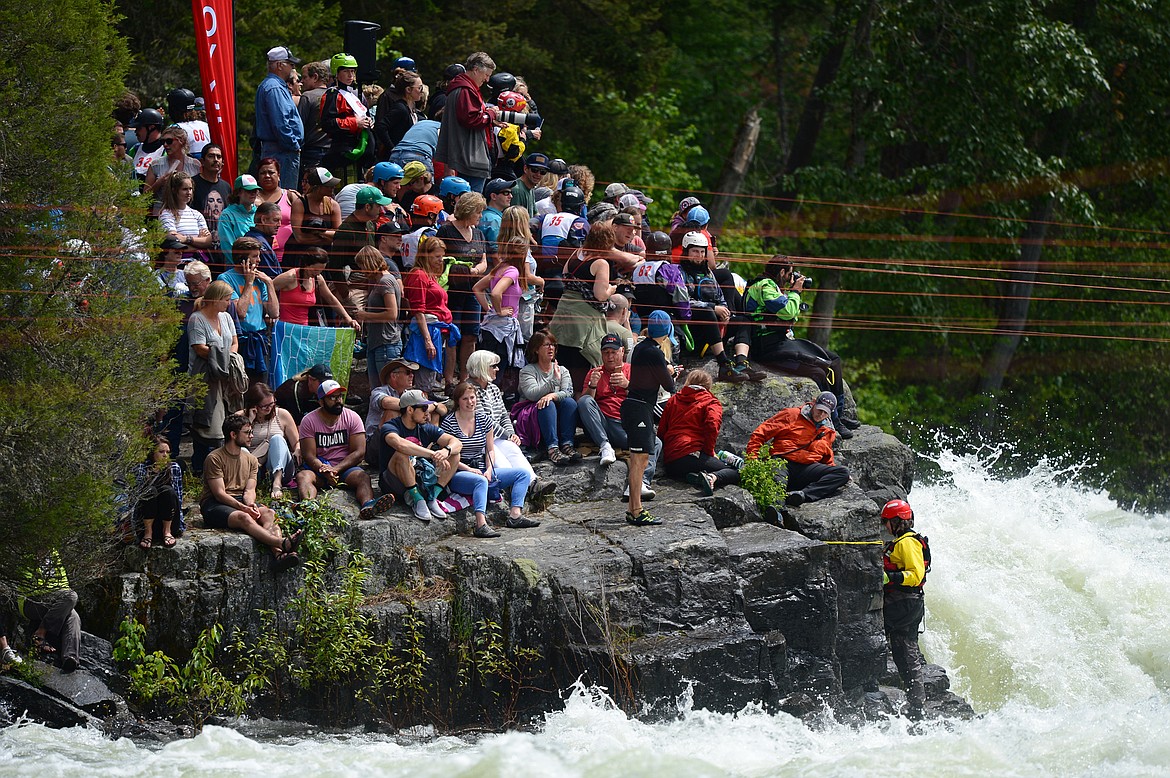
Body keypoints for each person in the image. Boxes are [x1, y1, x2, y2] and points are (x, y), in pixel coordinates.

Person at [745, 254, 859, 437]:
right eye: (790, 274)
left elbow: (790, 316)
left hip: (782, 342)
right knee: (820, 372)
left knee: (834, 359)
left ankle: (841, 414)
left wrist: (792, 294)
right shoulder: (764, 285)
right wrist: (795, 292)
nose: (792, 279)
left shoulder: (774, 287)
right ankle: (833, 421)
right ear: (781, 272)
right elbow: (788, 311)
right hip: (766, 346)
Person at [201, 415, 302, 571]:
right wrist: (244, 509)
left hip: (241, 499)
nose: (252, 436)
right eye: (247, 433)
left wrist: (250, 504)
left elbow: (249, 490)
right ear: (233, 435)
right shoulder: (214, 458)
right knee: (244, 517)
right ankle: (281, 543)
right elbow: (219, 493)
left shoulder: (251, 460)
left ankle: (279, 556)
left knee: (268, 513)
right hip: (214, 504)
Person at [441, 382, 540, 534]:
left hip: (481, 467)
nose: (470, 402)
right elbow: (448, 456)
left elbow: (490, 449)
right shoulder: (449, 423)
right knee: (480, 481)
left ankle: (515, 514)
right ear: (458, 401)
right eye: (465, 399)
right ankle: (480, 524)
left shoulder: (484, 419)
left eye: (472, 398)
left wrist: (488, 469)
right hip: (459, 470)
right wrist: (470, 470)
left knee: (523, 474)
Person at [465, 350, 558, 500]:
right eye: (493, 366)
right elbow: (484, 420)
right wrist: (507, 434)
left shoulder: (494, 389)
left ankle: (534, 483)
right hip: (479, 439)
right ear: (482, 367)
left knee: (513, 449)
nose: (497, 369)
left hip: (497, 436)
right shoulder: (468, 390)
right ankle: (518, 492)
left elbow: (503, 415)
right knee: (501, 461)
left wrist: (511, 434)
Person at [297, 380, 393, 520]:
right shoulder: (309, 421)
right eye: (332, 397)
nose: (338, 401)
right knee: (303, 477)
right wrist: (324, 469)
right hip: (319, 469)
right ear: (321, 402)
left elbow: (359, 452)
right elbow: (308, 455)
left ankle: (368, 506)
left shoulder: (352, 417)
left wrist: (335, 469)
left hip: (345, 468)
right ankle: (309, 507)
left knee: (363, 477)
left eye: (340, 396)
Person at [677, 230, 762, 384]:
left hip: (715, 325)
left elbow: (719, 295)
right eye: (695, 251)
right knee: (708, 312)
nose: (699, 255)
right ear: (686, 252)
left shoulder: (708, 273)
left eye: (702, 252)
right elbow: (684, 302)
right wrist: (713, 308)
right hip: (695, 329)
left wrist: (724, 311)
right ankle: (723, 365)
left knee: (743, 321)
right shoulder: (679, 273)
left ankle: (742, 363)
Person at [746, 391, 850, 506]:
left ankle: (801, 495)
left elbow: (827, 457)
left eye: (825, 412)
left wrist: (832, 473)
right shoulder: (791, 415)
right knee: (777, 484)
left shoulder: (828, 431)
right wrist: (753, 459)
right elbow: (760, 433)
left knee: (843, 473)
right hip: (782, 462)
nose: (821, 414)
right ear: (814, 402)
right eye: (819, 409)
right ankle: (778, 511)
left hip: (806, 468)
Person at [549, 222, 618, 393]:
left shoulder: (576, 254)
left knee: (562, 363)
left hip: (563, 315)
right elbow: (600, 295)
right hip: (584, 323)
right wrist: (612, 289)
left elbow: (565, 276)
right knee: (581, 375)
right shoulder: (601, 263)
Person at [622, 318, 677, 524]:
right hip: (639, 409)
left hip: (636, 406)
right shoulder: (654, 352)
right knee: (639, 461)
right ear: (665, 333)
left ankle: (633, 509)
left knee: (641, 459)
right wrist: (671, 371)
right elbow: (669, 385)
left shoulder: (641, 347)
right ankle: (636, 511)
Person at [381, 389, 466, 523]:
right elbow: (399, 444)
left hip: (420, 475)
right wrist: (433, 454)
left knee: (454, 454)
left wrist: (446, 451)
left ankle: (432, 498)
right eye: (424, 408)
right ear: (410, 410)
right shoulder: (390, 426)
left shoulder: (425, 428)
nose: (428, 412)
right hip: (394, 480)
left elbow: (457, 443)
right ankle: (417, 500)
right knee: (402, 454)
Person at [881, 498, 929, 718]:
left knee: (905, 651)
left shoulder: (907, 542)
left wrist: (887, 577)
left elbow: (915, 575)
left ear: (897, 521)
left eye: (887, 522)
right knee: (904, 651)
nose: (885, 527)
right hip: (906, 602)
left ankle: (917, 705)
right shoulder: (903, 541)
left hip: (904, 603)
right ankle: (915, 703)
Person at [436, 191, 490, 385]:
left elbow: (484, 261)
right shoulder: (446, 231)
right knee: (452, 336)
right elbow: (437, 257)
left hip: (473, 291)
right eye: (478, 212)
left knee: (470, 335)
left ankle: (465, 379)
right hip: (452, 292)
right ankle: (448, 379)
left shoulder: (478, 233)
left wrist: (476, 270)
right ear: (468, 210)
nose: (480, 216)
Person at [658, 370, 739, 495]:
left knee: (688, 470)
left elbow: (662, 431)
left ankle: (697, 478)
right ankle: (712, 477)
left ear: (688, 382)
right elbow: (712, 425)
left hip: (671, 463)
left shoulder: (673, 400)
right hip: (692, 454)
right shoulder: (711, 402)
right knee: (736, 471)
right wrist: (709, 451)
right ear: (708, 386)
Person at [188, 280, 239, 475]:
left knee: (227, 417)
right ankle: (200, 467)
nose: (229, 303)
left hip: (225, 376)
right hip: (204, 377)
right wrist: (224, 356)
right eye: (226, 299)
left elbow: (234, 341)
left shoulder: (226, 317)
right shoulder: (197, 319)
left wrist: (229, 358)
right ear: (216, 299)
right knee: (207, 421)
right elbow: (200, 348)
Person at [473, 236, 532, 395]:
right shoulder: (512, 271)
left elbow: (477, 288)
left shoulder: (499, 268)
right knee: (498, 371)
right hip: (503, 330)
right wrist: (498, 310)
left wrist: (489, 309)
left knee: (489, 371)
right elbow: (496, 293)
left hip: (492, 328)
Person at [434, 52, 499, 193]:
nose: (487, 80)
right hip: (470, 160)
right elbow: (472, 119)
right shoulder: (465, 90)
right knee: (472, 206)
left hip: (464, 157)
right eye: (486, 75)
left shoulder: (460, 88)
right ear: (476, 70)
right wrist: (491, 114)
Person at [402, 234, 458, 394]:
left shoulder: (429, 275)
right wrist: (428, 340)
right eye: (437, 256)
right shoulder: (419, 275)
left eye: (442, 256)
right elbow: (418, 311)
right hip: (425, 331)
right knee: (424, 373)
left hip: (438, 330)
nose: (441, 260)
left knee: (430, 375)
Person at [219, 237, 278, 385]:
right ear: (242, 259)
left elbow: (274, 313)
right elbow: (240, 312)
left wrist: (270, 284)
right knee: (241, 385)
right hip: (241, 341)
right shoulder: (226, 278)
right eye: (254, 256)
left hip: (260, 339)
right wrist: (249, 282)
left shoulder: (260, 280)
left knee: (261, 386)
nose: (259, 260)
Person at [518, 330, 580, 465]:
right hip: (534, 414)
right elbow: (532, 394)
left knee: (569, 402)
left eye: (553, 345)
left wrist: (552, 395)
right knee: (546, 404)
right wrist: (552, 381)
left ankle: (567, 444)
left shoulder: (562, 370)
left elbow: (568, 392)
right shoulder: (527, 371)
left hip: (555, 413)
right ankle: (553, 449)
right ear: (536, 350)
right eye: (546, 345)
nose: (551, 348)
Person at [17, 552, 81, 672]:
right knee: (71, 596)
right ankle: (40, 632)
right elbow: (25, 583)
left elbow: (64, 584)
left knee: (73, 616)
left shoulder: (54, 554)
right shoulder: (26, 552)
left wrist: (62, 605)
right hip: (30, 602)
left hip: (52, 601)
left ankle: (70, 658)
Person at [351, 245, 403, 387]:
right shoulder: (379, 281)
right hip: (378, 342)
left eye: (362, 266)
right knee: (377, 390)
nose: (361, 270)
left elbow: (392, 313)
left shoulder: (385, 281)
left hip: (386, 343)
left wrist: (365, 315)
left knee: (386, 389)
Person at [320, 53, 374, 185]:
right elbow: (327, 123)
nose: (351, 75)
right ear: (337, 73)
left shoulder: (353, 95)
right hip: (342, 152)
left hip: (358, 150)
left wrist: (368, 121)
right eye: (346, 71)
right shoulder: (332, 95)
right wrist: (356, 123)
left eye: (352, 71)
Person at [255, 46, 304, 189]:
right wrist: (293, 145)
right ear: (279, 65)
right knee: (284, 197)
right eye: (291, 64)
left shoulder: (273, 86)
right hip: (282, 151)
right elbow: (281, 123)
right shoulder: (274, 88)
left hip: (278, 149)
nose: (293, 69)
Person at [272, 246, 358, 328]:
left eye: (321, 271)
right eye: (315, 270)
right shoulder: (290, 277)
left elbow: (331, 299)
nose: (317, 273)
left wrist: (348, 318)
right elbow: (268, 289)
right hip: (285, 326)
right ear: (306, 265)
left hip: (303, 328)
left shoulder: (318, 279)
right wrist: (270, 313)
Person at [240, 382, 299, 500]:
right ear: (254, 405)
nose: (269, 408)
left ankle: (277, 483)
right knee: (241, 450)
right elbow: (234, 444)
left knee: (277, 439)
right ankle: (251, 485)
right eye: (264, 406)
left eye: (271, 403)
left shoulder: (282, 414)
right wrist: (249, 422)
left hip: (280, 467)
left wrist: (297, 450)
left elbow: (296, 443)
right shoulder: (240, 417)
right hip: (253, 468)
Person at [130, 436, 185, 548]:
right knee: (150, 491)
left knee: (167, 491)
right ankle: (148, 533)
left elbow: (178, 498)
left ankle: (167, 531)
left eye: (167, 452)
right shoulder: (142, 468)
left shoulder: (174, 468)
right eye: (161, 452)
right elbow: (136, 498)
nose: (165, 455)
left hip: (168, 517)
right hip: (145, 518)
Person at [374, 67, 426, 157]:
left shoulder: (411, 108)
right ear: (408, 90)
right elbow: (381, 127)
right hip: (398, 158)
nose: (422, 91)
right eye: (419, 88)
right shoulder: (400, 108)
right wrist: (393, 148)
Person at [158, 172, 213, 253]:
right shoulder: (167, 214)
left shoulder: (196, 214)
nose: (189, 193)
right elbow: (173, 242)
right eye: (184, 189)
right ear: (174, 190)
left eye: (190, 189)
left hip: (197, 262)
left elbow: (208, 241)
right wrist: (198, 243)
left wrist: (186, 239)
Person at [289, 166, 342, 251]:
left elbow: (339, 235)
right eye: (329, 185)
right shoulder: (300, 204)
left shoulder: (333, 205)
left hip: (325, 254)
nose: (333, 187)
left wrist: (319, 232)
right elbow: (299, 238)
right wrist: (327, 237)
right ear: (317, 187)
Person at [255, 157, 295, 265]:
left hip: (288, 257)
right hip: (261, 258)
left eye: (271, 172)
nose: (267, 176)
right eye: (263, 173)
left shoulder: (290, 196)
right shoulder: (252, 198)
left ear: (279, 175)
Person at [219, 174, 264, 268]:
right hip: (236, 270)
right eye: (249, 190)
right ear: (238, 192)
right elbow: (227, 247)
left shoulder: (259, 212)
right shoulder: (227, 215)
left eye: (255, 190)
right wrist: (244, 266)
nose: (253, 193)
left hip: (260, 267)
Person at [144, 125, 202, 196]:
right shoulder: (155, 165)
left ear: (182, 141)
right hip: (162, 206)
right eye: (162, 142)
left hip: (188, 206)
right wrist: (159, 183)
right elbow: (145, 197)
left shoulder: (195, 165)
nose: (165, 145)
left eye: (169, 141)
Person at [298, 60, 332, 171]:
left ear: (315, 77)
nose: (302, 82)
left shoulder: (307, 97)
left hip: (312, 151)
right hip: (332, 149)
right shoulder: (335, 95)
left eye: (305, 77)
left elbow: (299, 125)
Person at [243, 201, 283, 278]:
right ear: (263, 220)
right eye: (275, 220)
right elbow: (271, 275)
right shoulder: (258, 242)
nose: (279, 225)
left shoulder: (257, 238)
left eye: (280, 221)